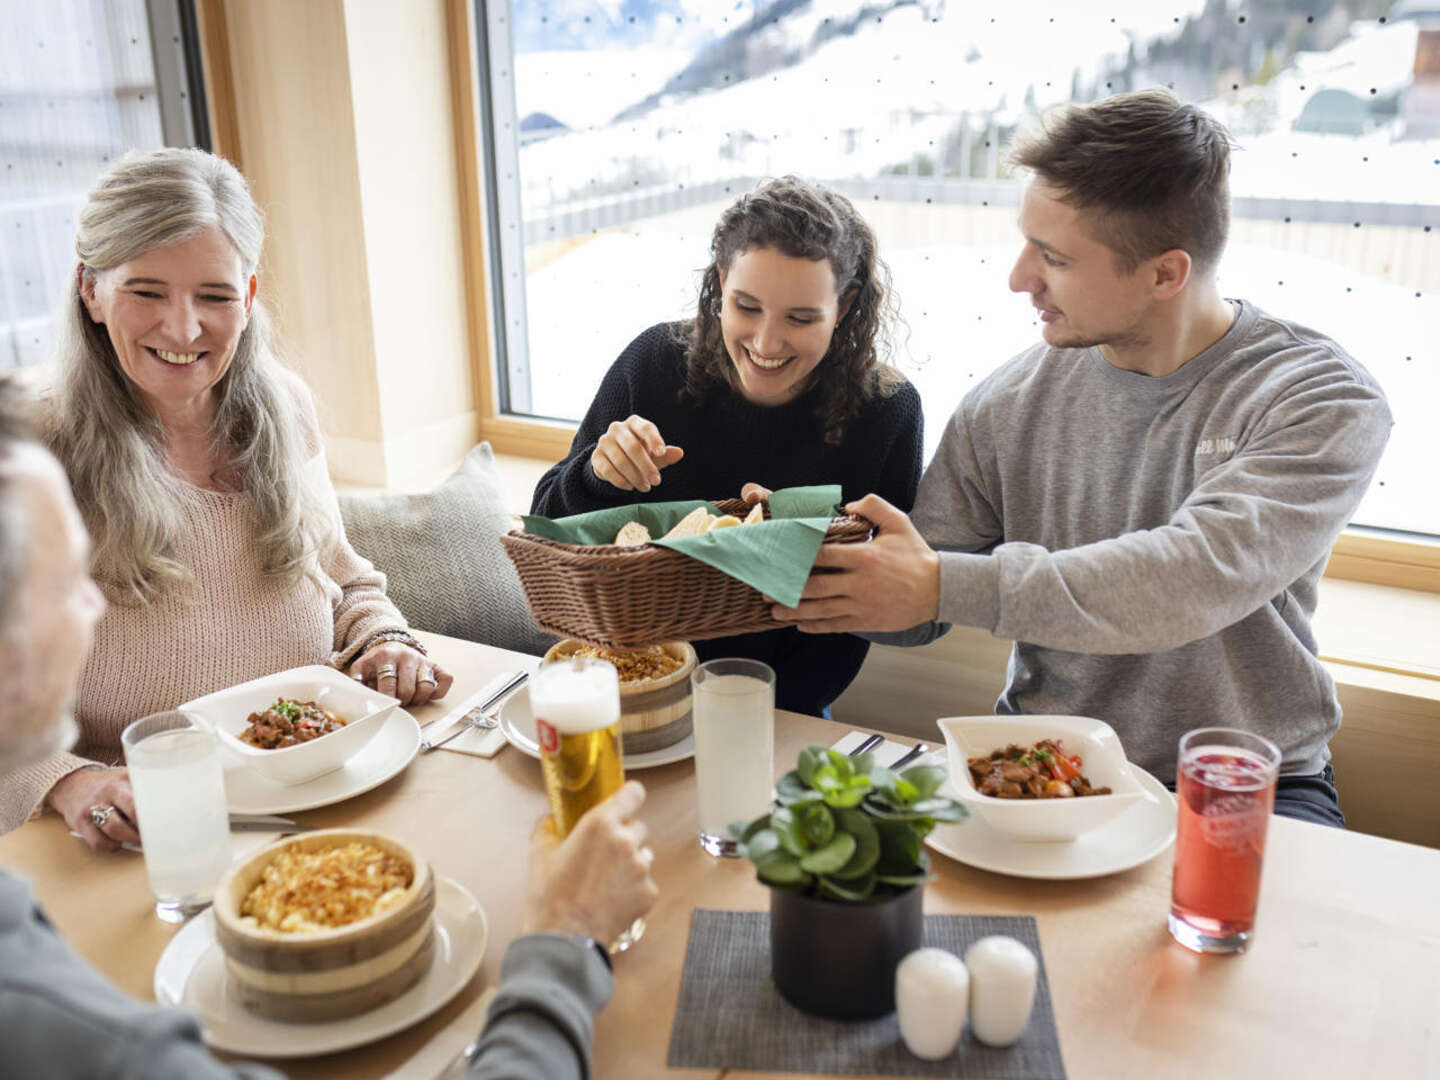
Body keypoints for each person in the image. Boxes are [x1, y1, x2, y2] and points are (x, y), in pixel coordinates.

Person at [0, 378, 658, 1078]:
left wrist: (385, 638)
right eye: (73, 578)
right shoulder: (82, 1033)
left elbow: (350, 585)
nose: (99, 610)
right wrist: (565, 940)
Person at [772, 89, 1392, 827]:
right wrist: (804, 541)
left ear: (1166, 274)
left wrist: (944, 586)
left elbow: (1190, 578)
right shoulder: (1007, 402)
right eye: (1028, 242)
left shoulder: (1317, 397)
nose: (1018, 278)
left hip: (1244, 784)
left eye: (1055, 258)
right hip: (1040, 768)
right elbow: (911, 611)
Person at [0, 148, 456, 845]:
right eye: (146, 292)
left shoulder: (286, 408)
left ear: (246, 297)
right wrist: (69, 782)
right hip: (145, 826)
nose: (183, 330)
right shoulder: (31, 454)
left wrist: (384, 637)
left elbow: (345, 580)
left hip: (320, 785)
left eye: (213, 296)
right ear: (90, 289)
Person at [531, 177, 923, 718]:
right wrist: (599, 475)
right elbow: (546, 521)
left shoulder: (888, 412)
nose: (766, 342)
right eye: (746, 306)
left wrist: (796, 531)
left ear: (847, 306)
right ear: (720, 282)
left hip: (785, 707)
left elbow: (883, 599)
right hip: (628, 690)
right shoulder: (652, 364)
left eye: (801, 318)